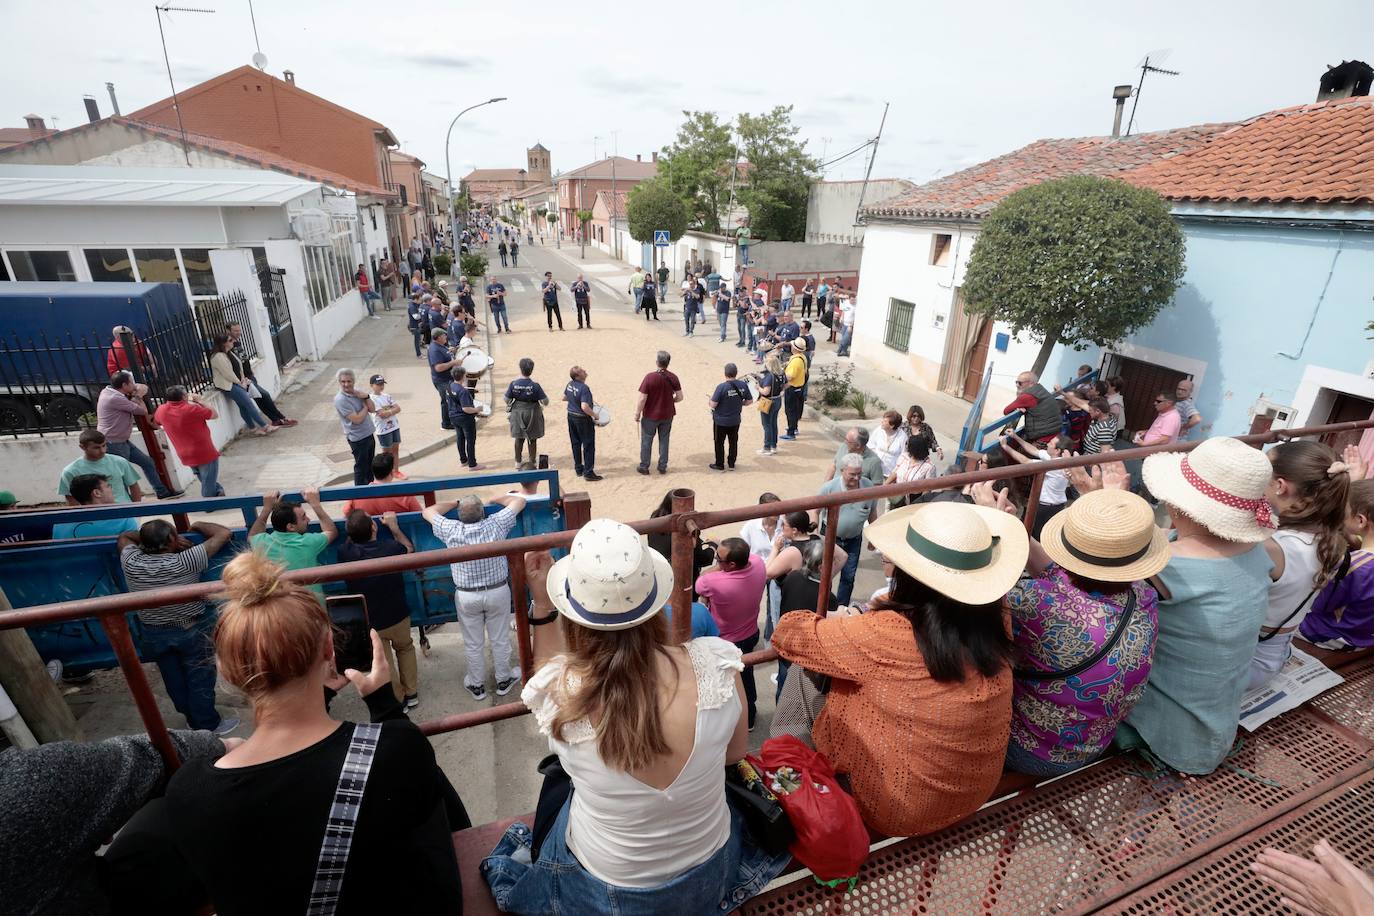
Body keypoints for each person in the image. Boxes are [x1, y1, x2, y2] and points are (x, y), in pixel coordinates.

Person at [480, 525, 790, 913]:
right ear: (654, 599)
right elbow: (734, 754)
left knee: (559, 795)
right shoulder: (717, 663)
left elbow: (552, 677)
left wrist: (542, 606)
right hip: (710, 866)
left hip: (609, 888)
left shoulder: (561, 695)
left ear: (573, 615)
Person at [160, 551, 466, 913]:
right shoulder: (394, 751)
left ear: (225, 671)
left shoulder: (189, 791)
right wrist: (385, 706)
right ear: (328, 650)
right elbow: (448, 829)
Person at [773, 500, 1022, 837]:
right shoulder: (997, 617)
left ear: (907, 573)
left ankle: (790, 781)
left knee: (807, 673)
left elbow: (788, 634)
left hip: (895, 809)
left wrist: (850, 622)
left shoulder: (888, 633)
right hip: (974, 789)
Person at [1109, 436, 1276, 775]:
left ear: (1176, 504)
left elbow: (1092, 579)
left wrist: (1110, 503)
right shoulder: (1259, 551)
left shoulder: (1168, 567)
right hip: (1216, 726)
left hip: (1165, 732)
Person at [1000, 487, 1167, 777]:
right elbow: (1066, 581)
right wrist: (1016, 531)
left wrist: (994, 532)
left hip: (1032, 751)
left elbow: (985, 591)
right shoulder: (1143, 597)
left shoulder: (1033, 602)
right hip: (1094, 742)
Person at [0, 729, 236, 916]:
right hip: (98, 902)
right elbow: (161, 753)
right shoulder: (24, 784)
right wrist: (233, 748)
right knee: (191, 806)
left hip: (87, 888)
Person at [118, 518, 237, 735]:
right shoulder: (186, 560)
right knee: (200, 675)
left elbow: (124, 537)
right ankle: (207, 724)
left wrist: (148, 540)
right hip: (189, 629)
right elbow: (223, 532)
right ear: (172, 538)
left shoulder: (131, 562)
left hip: (153, 632)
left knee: (172, 676)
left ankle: (191, 717)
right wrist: (197, 525)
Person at [1248, 440, 1352, 688]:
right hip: (1278, 654)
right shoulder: (1333, 541)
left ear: (1280, 486)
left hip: (1247, 663)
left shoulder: (1273, 549)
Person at [424, 493, 526, 700]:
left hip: (467, 595)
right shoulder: (495, 524)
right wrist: (495, 498)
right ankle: (504, 679)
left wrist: (454, 502)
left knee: (473, 642)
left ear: (460, 516)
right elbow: (519, 501)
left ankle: (477, 685)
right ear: (482, 513)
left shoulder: (451, 529)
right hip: (497, 591)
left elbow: (428, 511)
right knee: (499, 639)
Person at [337, 509, 420, 709]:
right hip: (398, 613)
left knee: (384, 660)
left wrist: (354, 531)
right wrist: (393, 527)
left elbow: (349, 542)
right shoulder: (390, 548)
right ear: (374, 526)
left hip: (371, 620)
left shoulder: (346, 553)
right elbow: (409, 548)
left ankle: (399, 699)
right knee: (406, 648)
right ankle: (412, 692)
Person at [695, 537, 768, 730]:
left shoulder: (712, 581)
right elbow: (747, 555)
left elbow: (699, 584)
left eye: (719, 558)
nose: (717, 561)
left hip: (725, 640)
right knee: (747, 675)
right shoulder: (759, 564)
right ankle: (749, 716)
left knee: (722, 682)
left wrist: (717, 567)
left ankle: (728, 724)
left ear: (731, 564)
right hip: (750, 632)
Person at [1302, 473, 1374, 648]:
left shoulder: (1352, 565)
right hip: (1366, 635)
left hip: (1333, 636)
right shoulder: (1361, 561)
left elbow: (1319, 605)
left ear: (1360, 521)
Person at [96, 371, 177, 499]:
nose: (134, 385)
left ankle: (161, 491)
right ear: (124, 385)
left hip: (121, 440)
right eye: (131, 382)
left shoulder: (110, 391)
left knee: (147, 463)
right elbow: (141, 410)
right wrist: (138, 395)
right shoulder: (114, 398)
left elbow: (140, 389)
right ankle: (124, 501)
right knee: (120, 474)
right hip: (114, 442)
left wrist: (135, 391)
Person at [817, 453, 879, 607]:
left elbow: (872, 512)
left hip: (853, 540)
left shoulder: (869, 487)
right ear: (842, 470)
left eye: (859, 474)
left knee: (848, 577)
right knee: (825, 575)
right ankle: (824, 605)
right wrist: (814, 530)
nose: (857, 478)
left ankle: (841, 606)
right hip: (830, 540)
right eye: (852, 474)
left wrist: (873, 538)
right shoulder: (829, 488)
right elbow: (815, 510)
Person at [248, 488, 338, 594]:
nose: (308, 519)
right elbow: (331, 531)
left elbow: (252, 535)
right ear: (290, 527)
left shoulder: (262, 542)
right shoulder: (307, 543)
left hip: (280, 607)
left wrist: (267, 508)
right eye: (304, 518)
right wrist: (315, 504)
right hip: (312, 607)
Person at [1000, 432, 1073, 539]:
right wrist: (1015, 437)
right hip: (1053, 505)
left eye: (1051, 443)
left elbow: (1026, 461)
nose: (1047, 444)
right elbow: (1035, 451)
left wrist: (1005, 447)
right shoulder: (1056, 459)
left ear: (1057, 451)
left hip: (1044, 508)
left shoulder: (1055, 465)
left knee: (1035, 535)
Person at [154, 386, 223, 497]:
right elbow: (214, 414)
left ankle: (218, 491)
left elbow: (156, 422)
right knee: (208, 480)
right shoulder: (191, 409)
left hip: (184, 453)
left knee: (205, 479)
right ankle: (210, 504)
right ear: (184, 397)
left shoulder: (161, 410)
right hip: (204, 452)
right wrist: (200, 401)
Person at [227, 322, 296, 427]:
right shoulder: (229, 345)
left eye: (239, 330)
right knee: (265, 395)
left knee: (260, 399)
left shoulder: (237, 342)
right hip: (244, 379)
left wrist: (249, 370)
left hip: (249, 375)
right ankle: (281, 418)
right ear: (228, 331)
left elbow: (243, 359)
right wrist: (243, 378)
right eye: (235, 331)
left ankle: (276, 420)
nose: (238, 333)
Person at [210, 334, 276, 438]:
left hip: (237, 382)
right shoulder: (218, 357)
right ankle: (265, 426)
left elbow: (239, 367)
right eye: (230, 340)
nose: (233, 342)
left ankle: (253, 429)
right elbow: (227, 374)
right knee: (248, 403)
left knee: (243, 406)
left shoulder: (229, 353)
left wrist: (243, 379)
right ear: (223, 343)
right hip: (228, 385)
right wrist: (240, 383)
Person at [59, 429, 143, 504]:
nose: (102, 450)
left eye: (104, 445)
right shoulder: (70, 471)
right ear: (82, 447)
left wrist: (135, 510)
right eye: (96, 448)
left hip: (124, 510)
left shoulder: (120, 462)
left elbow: (134, 486)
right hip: (93, 515)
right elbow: (71, 498)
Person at [635, 350, 683, 476]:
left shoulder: (650, 377)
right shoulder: (673, 377)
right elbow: (680, 397)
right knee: (664, 440)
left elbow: (642, 398)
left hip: (651, 415)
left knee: (647, 441)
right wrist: (669, 400)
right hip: (667, 414)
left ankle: (644, 466)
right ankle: (662, 466)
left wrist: (637, 413)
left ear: (657, 362)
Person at [52, 474, 139, 539]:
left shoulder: (60, 522)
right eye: (108, 486)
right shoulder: (124, 519)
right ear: (97, 493)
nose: (111, 490)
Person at [333, 368, 376, 486]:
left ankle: (371, 491)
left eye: (349, 381)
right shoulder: (340, 399)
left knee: (370, 465)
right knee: (361, 468)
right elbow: (357, 419)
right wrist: (365, 407)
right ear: (339, 382)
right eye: (343, 382)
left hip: (368, 433)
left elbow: (373, 409)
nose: (346, 384)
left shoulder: (359, 393)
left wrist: (367, 397)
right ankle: (358, 494)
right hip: (357, 438)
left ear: (353, 381)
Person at [341, 453, 422, 515]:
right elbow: (419, 515)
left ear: (373, 472)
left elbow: (346, 513)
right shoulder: (405, 496)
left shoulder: (357, 495)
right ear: (391, 472)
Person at [708, 362, 753, 472]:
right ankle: (731, 463)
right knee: (733, 442)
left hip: (721, 421)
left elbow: (713, 404)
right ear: (736, 373)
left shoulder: (721, 387)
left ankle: (719, 464)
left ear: (725, 374)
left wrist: (709, 400)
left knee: (719, 442)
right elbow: (749, 401)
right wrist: (739, 403)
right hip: (735, 420)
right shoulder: (743, 385)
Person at [506, 357, 549, 467]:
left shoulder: (513, 384)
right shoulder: (535, 386)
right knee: (532, 438)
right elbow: (545, 402)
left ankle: (518, 461)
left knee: (519, 438)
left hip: (517, 413)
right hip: (532, 413)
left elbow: (506, 399)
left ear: (520, 369)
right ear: (532, 370)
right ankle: (532, 461)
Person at [564, 366, 602, 481]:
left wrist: (574, 399)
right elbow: (584, 407)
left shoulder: (570, 384)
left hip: (571, 416)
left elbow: (564, 397)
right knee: (588, 445)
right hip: (582, 419)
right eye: (582, 371)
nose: (585, 371)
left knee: (575, 443)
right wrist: (594, 415)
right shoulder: (584, 388)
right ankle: (588, 472)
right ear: (577, 376)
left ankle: (578, 469)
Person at [1004, 371, 1063, 443]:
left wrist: (1019, 399)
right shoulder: (1041, 390)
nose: (1017, 385)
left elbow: (1006, 411)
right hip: (1055, 433)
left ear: (1031, 383)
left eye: (1020, 383)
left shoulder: (1027, 396)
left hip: (1043, 437)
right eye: (1016, 382)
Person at [448, 366, 484, 471]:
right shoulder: (463, 391)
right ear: (463, 376)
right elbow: (466, 409)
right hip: (465, 419)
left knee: (460, 438)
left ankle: (463, 460)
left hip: (453, 416)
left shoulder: (449, 386)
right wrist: (477, 409)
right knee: (470, 440)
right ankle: (472, 464)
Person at [885, 436, 939, 503]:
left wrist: (919, 504)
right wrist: (884, 486)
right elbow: (895, 472)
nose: (906, 447)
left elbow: (927, 489)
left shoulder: (929, 467)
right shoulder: (904, 457)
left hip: (915, 499)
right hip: (897, 496)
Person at [753, 350, 784, 457]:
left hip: (767, 401)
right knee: (773, 423)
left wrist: (758, 387)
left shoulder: (769, 376)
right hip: (777, 399)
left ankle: (766, 447)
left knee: (766, 424)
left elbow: (765, 391)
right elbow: (786, 384)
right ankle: (773, 446)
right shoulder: (780, 374)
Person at [427, 327, 459, 431]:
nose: (446, 337)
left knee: (450, 400)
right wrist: (453, 363)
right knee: (446, 401)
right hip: (442, 380)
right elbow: (438, 367)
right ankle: (446, 423)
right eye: (444, 335)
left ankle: (451, 420)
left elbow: (444, 354)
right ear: (439, 337)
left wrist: (450, 351)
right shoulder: (435, 350)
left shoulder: (440, 346)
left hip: (446, 378)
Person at [778, 339, 808, 440]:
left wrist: (781, 374)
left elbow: (789, 376)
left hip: (792, 388)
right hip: (799, 387)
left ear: (794, 348)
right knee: (795, 410)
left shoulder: (796, 361)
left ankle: (791, 433)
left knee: (790, 411)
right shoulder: (802, 357)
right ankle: (794, 428)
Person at [869, 410, 909, 479]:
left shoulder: (903, 437)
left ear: (892, 425)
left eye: (885, 421)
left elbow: (904, 457)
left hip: (891, 474)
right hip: (875, 470)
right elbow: (870, 445)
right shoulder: (879, 430)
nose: (882, 422)